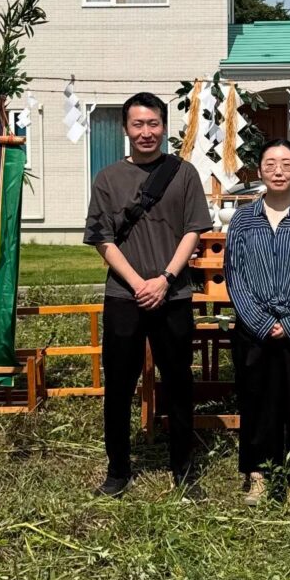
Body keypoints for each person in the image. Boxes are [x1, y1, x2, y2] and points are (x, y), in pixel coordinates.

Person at [84, 92, 212, 497]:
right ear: (126, 128)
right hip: (124, 296)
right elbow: (102, 239)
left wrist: (164, 278)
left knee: (178, 381)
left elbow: (193, 230)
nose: (146, 132)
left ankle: (183, 467)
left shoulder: (184, 173)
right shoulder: (108, 178)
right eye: (137, 125)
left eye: (153, 124)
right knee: (119, 384)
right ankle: (119, 468)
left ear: (164, 126)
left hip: (172, 295)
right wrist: (139, 283)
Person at [224, 139, 290, 509]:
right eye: (271, 163)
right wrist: (260, 320)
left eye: (286, 163)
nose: (279, 170)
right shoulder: (242, 219)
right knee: (257, 403)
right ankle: (259, 475)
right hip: (254, 328)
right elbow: (234, 275)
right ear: (260, 170)